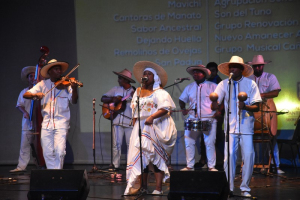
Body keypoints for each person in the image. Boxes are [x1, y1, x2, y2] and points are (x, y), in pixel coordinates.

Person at [212, 56, 262, 197]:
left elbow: (257, 106)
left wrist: (245, 106)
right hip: (230, 127)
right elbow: (215, 103)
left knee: (248, 156)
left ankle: (245, 187)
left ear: (241, 69)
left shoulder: (251, 84)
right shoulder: (223, 84)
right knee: (229, 157)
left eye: (234, 67)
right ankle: (229, 187)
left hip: (246, 126)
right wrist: (214, 103)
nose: (231, 69)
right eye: (230, 67)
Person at [124, 61, 177, 195]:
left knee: (155, 158)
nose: (146, 75)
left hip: (154, 126)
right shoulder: (138, 91)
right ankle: (143, 187)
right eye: (145, 73)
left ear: (155, 77)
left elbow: (165, 108)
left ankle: (158, 188)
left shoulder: (160, 92)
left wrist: (152, 117)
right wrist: (135, 123)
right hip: (140, 126)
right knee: (142, 158)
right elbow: (134, 109)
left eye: (149, 74)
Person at [23, 59, 79, 169]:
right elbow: (26, 94)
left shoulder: (66, 85)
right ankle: (52, 174)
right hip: (46, 124)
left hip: (61, 123)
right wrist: (36, 95)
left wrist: (74, 88)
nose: (59, 72)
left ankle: (57, 174)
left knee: (60, 151)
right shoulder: (43, 84)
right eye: (56, 69)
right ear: (49, 72)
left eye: (60, 69)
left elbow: (74, 100)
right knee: (47, 153)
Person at [247, 55, 284, 174]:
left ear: (263, 66)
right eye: (256, 66)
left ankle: (276, 166)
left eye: (260, 66)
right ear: (252, 66)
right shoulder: (248, 79)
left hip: (267, 109)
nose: (258, 68)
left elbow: (276, 92)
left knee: (271, 137)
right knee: (249, 139)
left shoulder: (270, 77)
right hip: (253, 112)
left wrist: (261, 95)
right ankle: (251, 165)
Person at [179, 65, 219, 172]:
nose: (195, 74)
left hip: (209, 118)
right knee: (189, 141)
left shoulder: (213, 86)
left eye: (198, 72)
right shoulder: (189, 87)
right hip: (193, 118)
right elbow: (182, 100)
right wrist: (183, 108)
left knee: (209, 143)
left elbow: (221, 101)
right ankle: (189, 166)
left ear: (204, 74)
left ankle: (211, 166)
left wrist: (218, 111)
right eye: (194, 72)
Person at [101, 69, 136, 170]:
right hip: (116, 121)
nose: (118, 80)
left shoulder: (134, 91)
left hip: (129, 121)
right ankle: (115, 165)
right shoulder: (115, 89)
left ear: (125, 80)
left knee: (131, 145)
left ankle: (131, 166)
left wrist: (135, 98)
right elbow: (103, 98)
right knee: (116, 145)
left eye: (120, 78)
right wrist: (113, 99)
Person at [10, 66, 36, 173]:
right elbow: (19, 105)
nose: (32, 78)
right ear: (28, 78)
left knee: (40, 147)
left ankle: (42, 166)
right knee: (24, 146)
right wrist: (25, 112)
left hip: (39, 123)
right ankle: (21, 167)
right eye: (30, 76)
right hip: (27, 123)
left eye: (34, 76)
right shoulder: (24, 92)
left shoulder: (42, 90)